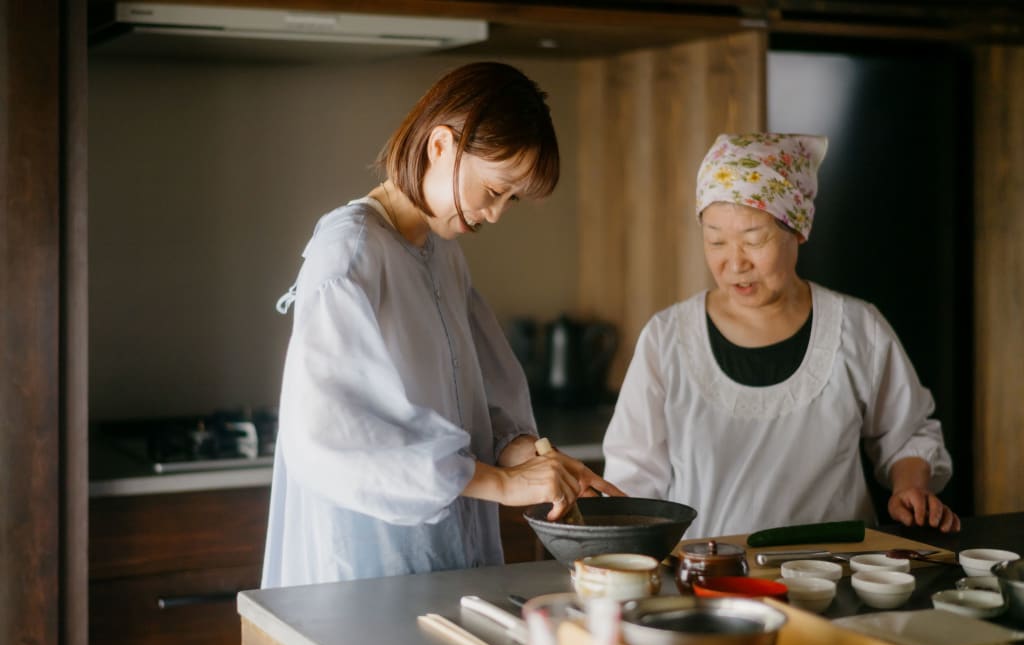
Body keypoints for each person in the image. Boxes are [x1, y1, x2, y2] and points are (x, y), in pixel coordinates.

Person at [262, 62, 622, 588]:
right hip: (368, 567)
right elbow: (330, 436)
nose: (496, 214)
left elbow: (478, 395)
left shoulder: (443, 255)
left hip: (446, 560)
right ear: (440, 147)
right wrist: (500, 484)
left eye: (510, 199)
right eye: (494, 189)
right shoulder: (350, 252)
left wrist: (523, 453)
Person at [602, 132, 959, 540]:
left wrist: (909, 486)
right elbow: (632, 480)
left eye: (754, 240)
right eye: (716, 239)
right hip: (709, 583)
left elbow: (909, 433)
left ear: (799, 229)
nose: (734, 262)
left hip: (836, 575)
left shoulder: (858, 328)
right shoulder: (666, 339)